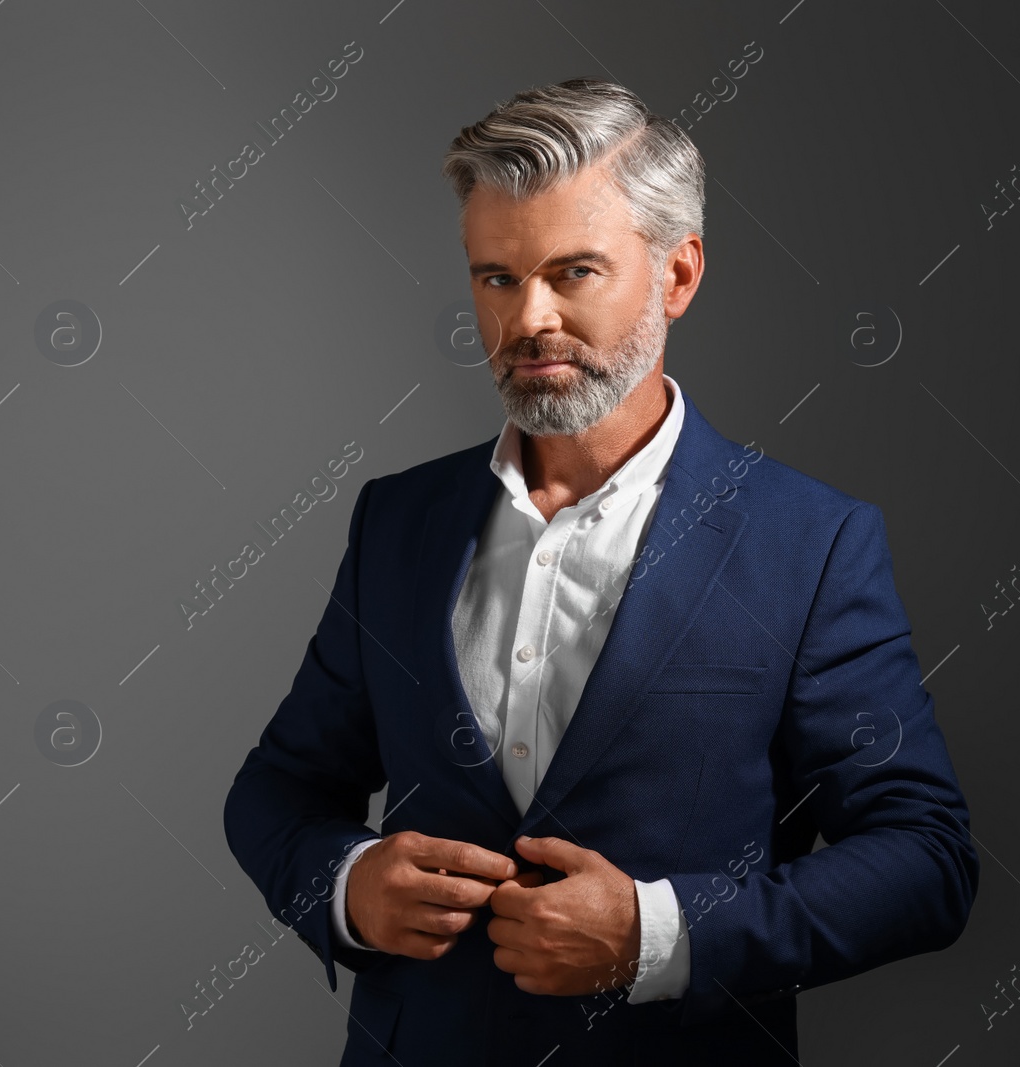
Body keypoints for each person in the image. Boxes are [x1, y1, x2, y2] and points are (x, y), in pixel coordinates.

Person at [223, 77, 979, 1066]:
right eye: (495, 277)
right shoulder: (399, 520)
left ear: (677, 274)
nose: (527, 318)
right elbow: (280, 786)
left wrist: (654, 934)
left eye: (571, 271)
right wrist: (347, 883)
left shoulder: (809, 541)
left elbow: (924, 860)